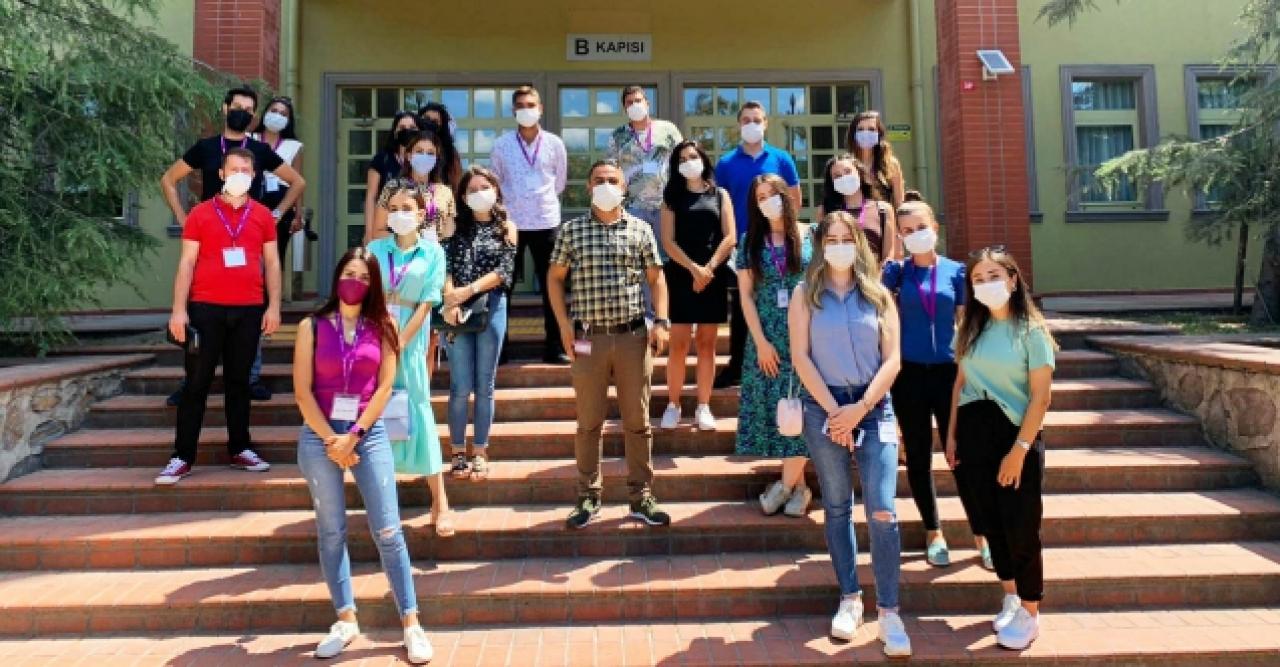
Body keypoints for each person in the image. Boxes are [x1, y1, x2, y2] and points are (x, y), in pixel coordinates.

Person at [291, 248, 433, 664]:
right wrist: (332, 441)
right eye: (349, 274)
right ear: (337, 277)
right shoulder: (311, 326)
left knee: (388, 530)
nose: (355, 282)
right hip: (319, 437)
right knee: (331, 530)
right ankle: (345, 619)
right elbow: (301, 392)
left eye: (365, 277)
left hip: (367, 435)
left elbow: (385, 387)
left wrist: (353, 437)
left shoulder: (384, 325)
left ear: (374, 285)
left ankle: (411, 623)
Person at [789, 210, 911, 657]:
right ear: (820, 245)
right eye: (831, 239)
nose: (839, 246)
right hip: (823, 408)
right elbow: (800, 357)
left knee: (882, 509)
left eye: (846, 238)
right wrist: (834, 412)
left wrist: (858, 410)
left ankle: (890, 612)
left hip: (873, 407)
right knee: (838, 506)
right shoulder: (805, 293)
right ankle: (850, 598)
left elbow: (893, 359)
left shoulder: (878, 293)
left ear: (858, 243)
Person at [159, 86, 304, 405]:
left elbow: (297, 182)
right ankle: (191, 380)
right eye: (238, 106)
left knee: (252, 307)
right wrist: (182, 217)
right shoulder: (206, 147)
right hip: (209, 238)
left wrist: (277, 214)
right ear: (225, 109)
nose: (243, 113)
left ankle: (250, 377)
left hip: (248, 239)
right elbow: (168, 179)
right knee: (199, 307)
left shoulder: (259, 150)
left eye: (249, 110)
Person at [547, 160, 671, 530]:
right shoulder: (572, 231)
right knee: (589, 422)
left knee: (637, 421)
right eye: (599, 180)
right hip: (587, 339)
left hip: (633, 337)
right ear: (588, 187)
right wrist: (563, 326)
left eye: (612, 180)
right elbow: (554, 279)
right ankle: (588, 496)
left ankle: (641, 496)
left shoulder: (640, 229)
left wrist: (661, 321)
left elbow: (657, 279)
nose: (605, 185)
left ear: (624, 187)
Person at [945, 246, 1056, 651]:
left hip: (1015, 435)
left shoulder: (1032, 332)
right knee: (990, 521)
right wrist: (951, 436)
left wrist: (1019, 450)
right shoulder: (970, 329)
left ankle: (1030, 610)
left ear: (1012, 279)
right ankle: (1010, 593)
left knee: (1020, 525)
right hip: (974, 434)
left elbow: (1041, 398)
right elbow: (960, 383)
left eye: (994, 276)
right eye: (978, 278)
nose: (986, 284)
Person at [157, 147, 281, 485]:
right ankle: (182, 456)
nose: (240, 175)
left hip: (249, 309)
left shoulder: (262, 216)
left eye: (246, 170)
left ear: (254, 176)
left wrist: (273, 306)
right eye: (234, 169)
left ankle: (240, 448)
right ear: (221, 174)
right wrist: (178, 310)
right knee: (196, 383)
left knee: (239, 383)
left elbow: (272, 263)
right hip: (205, 309)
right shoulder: (200, 214)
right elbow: (186, 263)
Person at [882, 200, 976, 568]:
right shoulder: (897, 273)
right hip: (908, 375)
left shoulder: (956, 271)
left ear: (934, 228)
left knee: (961, 455)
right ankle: (933, 531)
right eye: (906, 231)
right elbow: (878, 309)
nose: (914, 235)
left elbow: (966, 323)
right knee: (919, 456)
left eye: (920, 227)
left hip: (948, 373)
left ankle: (982, 533)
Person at [367, 185, 453, 537]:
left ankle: (440, 502)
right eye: (393, 208)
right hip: (374, 337)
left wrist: (400, 342)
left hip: (411, 340)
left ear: (421, 215)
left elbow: (428, 302)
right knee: (376, 413)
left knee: (418, 410)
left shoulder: (433, 252)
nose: (399, 214)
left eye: (407, 208)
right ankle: (383, 505)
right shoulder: (375, 250)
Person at [736, 174, 813, 516]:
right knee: (784, 412)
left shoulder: (811, 236)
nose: (768, 201)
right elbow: (746, 296)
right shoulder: (749, 242)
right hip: (768, 338)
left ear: (786, 195)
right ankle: (800, 489)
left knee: (804, 409)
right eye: (761, 196)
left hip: (808, 336)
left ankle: (784, 486)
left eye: (773, 194)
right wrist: (761, 343)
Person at [713, 101, 801, 388]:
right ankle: (736, 365)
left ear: (765, 124)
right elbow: (719, 205)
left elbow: (794, 198)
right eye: (746, 120)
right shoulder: (726, 163)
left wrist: (787, 232)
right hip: (745, 244)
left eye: (757, 119)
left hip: (778, 241)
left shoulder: (782, 159)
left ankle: (792, 359)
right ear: (739, 125)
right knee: (742, 306)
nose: (752, 124)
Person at [441, 167, 517, 481]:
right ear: (462, 196)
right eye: (471, 189)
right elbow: (444, 265)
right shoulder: (453, 225)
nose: (479, 193)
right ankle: (458, 451)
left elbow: (504, 270)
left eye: (484, 187)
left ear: (496, 190)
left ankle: (480, 451)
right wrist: (450, 299)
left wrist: (468, 291)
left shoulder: (506, 227)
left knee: (485, 385)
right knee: (460, 386)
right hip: (456, 311)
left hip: (492, 307)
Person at [658, 141, 735, 431]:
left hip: (712, 276)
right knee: (678, 344)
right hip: (681, 275)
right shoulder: (671, 198)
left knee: (706, 343)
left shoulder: (720, 194)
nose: (688, 162)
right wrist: (693, 269)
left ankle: (704, 405)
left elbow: (730, 237)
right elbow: (668, 241)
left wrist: (708, 269)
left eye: (693, 156)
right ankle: (673, 404)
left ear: (703, 159)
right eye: (682, 159)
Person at [490, 85, 569, 364]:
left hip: (546, 220)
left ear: (540, 109)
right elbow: (495, 183)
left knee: (552, 286)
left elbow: (559, 182)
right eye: (521, 106)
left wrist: (539, 199)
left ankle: (555, 347)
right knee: (504, 286)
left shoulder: (555, 144)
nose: (526, 110)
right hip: (511, 223)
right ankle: (500, 349)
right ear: (514, 111)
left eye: (531, 105)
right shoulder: (501, 145)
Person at [375, 130, 457, 375]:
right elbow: (378, 230)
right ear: (408, 155)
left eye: (430, 152)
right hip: (402, 264)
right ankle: (390, 384)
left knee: (431, 336)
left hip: (432, 264)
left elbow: (449, 235)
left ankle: (422, 386)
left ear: (437, 157)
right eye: (419, 151)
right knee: (395, 328)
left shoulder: (444, 191)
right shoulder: (393, 187)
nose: (424, 156)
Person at [606, 85, 684, 254]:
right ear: (625, 108)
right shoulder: (617, 136)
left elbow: (682, 159)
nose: (635, 105)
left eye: (638, 100)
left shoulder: (668, 129)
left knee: (668, 255)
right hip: (633, 207)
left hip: (666, 205)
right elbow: (612, 171)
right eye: (629, 102)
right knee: (636, 256)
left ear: (647, 103)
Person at [251, 95, 309, 264]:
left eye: (283, 114)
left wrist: (298, 214)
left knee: (275, 256)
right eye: (274, 111)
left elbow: (297, 181)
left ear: (288, 121)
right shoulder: (249, 139)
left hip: (281, 203)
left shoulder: (294, 146)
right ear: (265, 113)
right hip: (253, 197)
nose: (277, 116)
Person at [816, 154, 898, 263]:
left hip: (875, 272)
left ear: (859, 173)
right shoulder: (825, 211)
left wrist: (876, 274)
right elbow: (821, 253)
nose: (844, 177)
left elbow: (889, 254)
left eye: (848, 171)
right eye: (837, 176)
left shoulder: (884, 210)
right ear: (832, 183)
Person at [363, 111, 422, 244]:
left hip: (415, 231)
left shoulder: (423, 160)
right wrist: (369, 232)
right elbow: (371, 196)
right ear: (395, 132)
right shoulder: (382, 159)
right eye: (402, 128)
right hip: (385, 230)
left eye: (412, 128)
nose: (407, 131)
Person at [848, 110, 906, 214]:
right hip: (855, 221)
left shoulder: (891, 164)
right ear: (854, 134)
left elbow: (899, 203)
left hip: (885, 221)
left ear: (879, 134)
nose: (866, 133)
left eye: (871, 129)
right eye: (860, 129)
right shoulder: (847, 164)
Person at [419, 102, 464, 189]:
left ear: (442, 126)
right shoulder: (409, 146)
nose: (429, 123)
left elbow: (456, 183)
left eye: (435, 121)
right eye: (426, 119)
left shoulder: (451, 153)